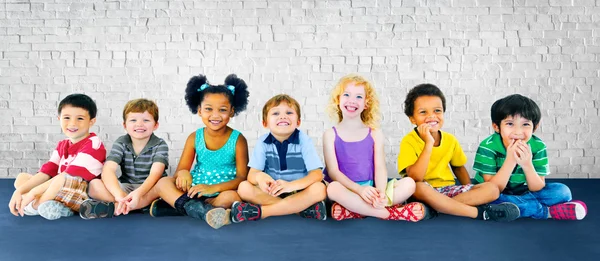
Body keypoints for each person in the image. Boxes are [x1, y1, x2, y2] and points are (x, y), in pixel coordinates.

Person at [398, 84, 520, 221]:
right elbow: (415, 178)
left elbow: (458, 167)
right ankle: (477, 213)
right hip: (423, 192)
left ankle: (438, 208)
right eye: (423, 112)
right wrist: (428, 144)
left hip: (448, 190)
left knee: (492, 189)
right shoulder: (408, 141)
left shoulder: (450, 140)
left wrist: (471, 189)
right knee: (418, 187)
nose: (431, 116)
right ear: (412, 119)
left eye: (437, 111)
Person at [149, 74, 250, 229]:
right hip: (195, 189)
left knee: (232, 197)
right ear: (199, 110)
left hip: (222, 190)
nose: (215, 115)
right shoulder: (194, 137)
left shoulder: (238, 140)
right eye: (208, 109)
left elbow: (242, 177)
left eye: (222, 110)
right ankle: (203, 211)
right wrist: (183, 173)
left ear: (231, 111)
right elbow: (180, 171)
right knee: (164, 182)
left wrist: (213, 188)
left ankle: (185, 208)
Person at [324, 74, 428, 221]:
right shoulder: (330, 135)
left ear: (366, 103)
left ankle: (356, 211)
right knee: (332, 188)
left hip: (371, 189)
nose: (352, 100)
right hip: (347, 190)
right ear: (338, 100)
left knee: (409, 183)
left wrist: (380, 194)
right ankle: (389, 213)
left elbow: (380, 167)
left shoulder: (374, 133)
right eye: (347, 95)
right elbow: (333, 172)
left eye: (359, 97)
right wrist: (360, 190)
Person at [473, 94, 587, 220]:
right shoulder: (488, 147)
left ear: (535, 127)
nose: (518, 132)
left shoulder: (538, 146)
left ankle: (512, 208)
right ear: (497, 127)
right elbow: (493, 188)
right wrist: (510, 161)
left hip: (523, 191)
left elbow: (537, 187)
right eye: (510, 124)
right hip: (493, 193)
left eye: (525, 124)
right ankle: (546, 211)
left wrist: (527, 165)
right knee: (486, 199)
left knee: (562, 192)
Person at [8, 93, 106, 220]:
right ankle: (54, 205)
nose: (72, 123)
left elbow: (68, 176)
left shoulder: (94, 143)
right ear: (59, 118)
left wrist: (32, 193)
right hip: (57, 188)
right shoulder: (62, 144)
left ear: (91, 121)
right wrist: (19, 191)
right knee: (22, 178)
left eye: (80, 119)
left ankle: (34, 206)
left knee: (60, 179)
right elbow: (48, 171)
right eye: (67, 118)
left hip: (79, 193)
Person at [232, 94, 327, 223]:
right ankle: (301, 210)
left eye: (289, 112)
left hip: (299, 190)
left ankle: (263, 212)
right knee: (244, 187)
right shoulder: (263, 142)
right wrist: (260, 177)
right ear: (265, 123)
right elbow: (252, 175)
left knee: (319, 189)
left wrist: (291, 186)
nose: (283, 116)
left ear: (298, 121)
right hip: (273, 192)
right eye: (276, 113)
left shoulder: (304, 141)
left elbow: (317, 175)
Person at [80, 98, 169, 219]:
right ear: (125, 125)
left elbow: (155, 174)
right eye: (133, 120)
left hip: (150, 187)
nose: (139, 124)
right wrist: (119, 195)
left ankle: (118, 207)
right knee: (94, 184)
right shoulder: (121, 142)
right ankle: (127, 204)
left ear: (155, 125)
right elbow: (108, 170)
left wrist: (138, 193)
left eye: (146, 120)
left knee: (165, 184)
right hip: (127, 187)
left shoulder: (160, 144)